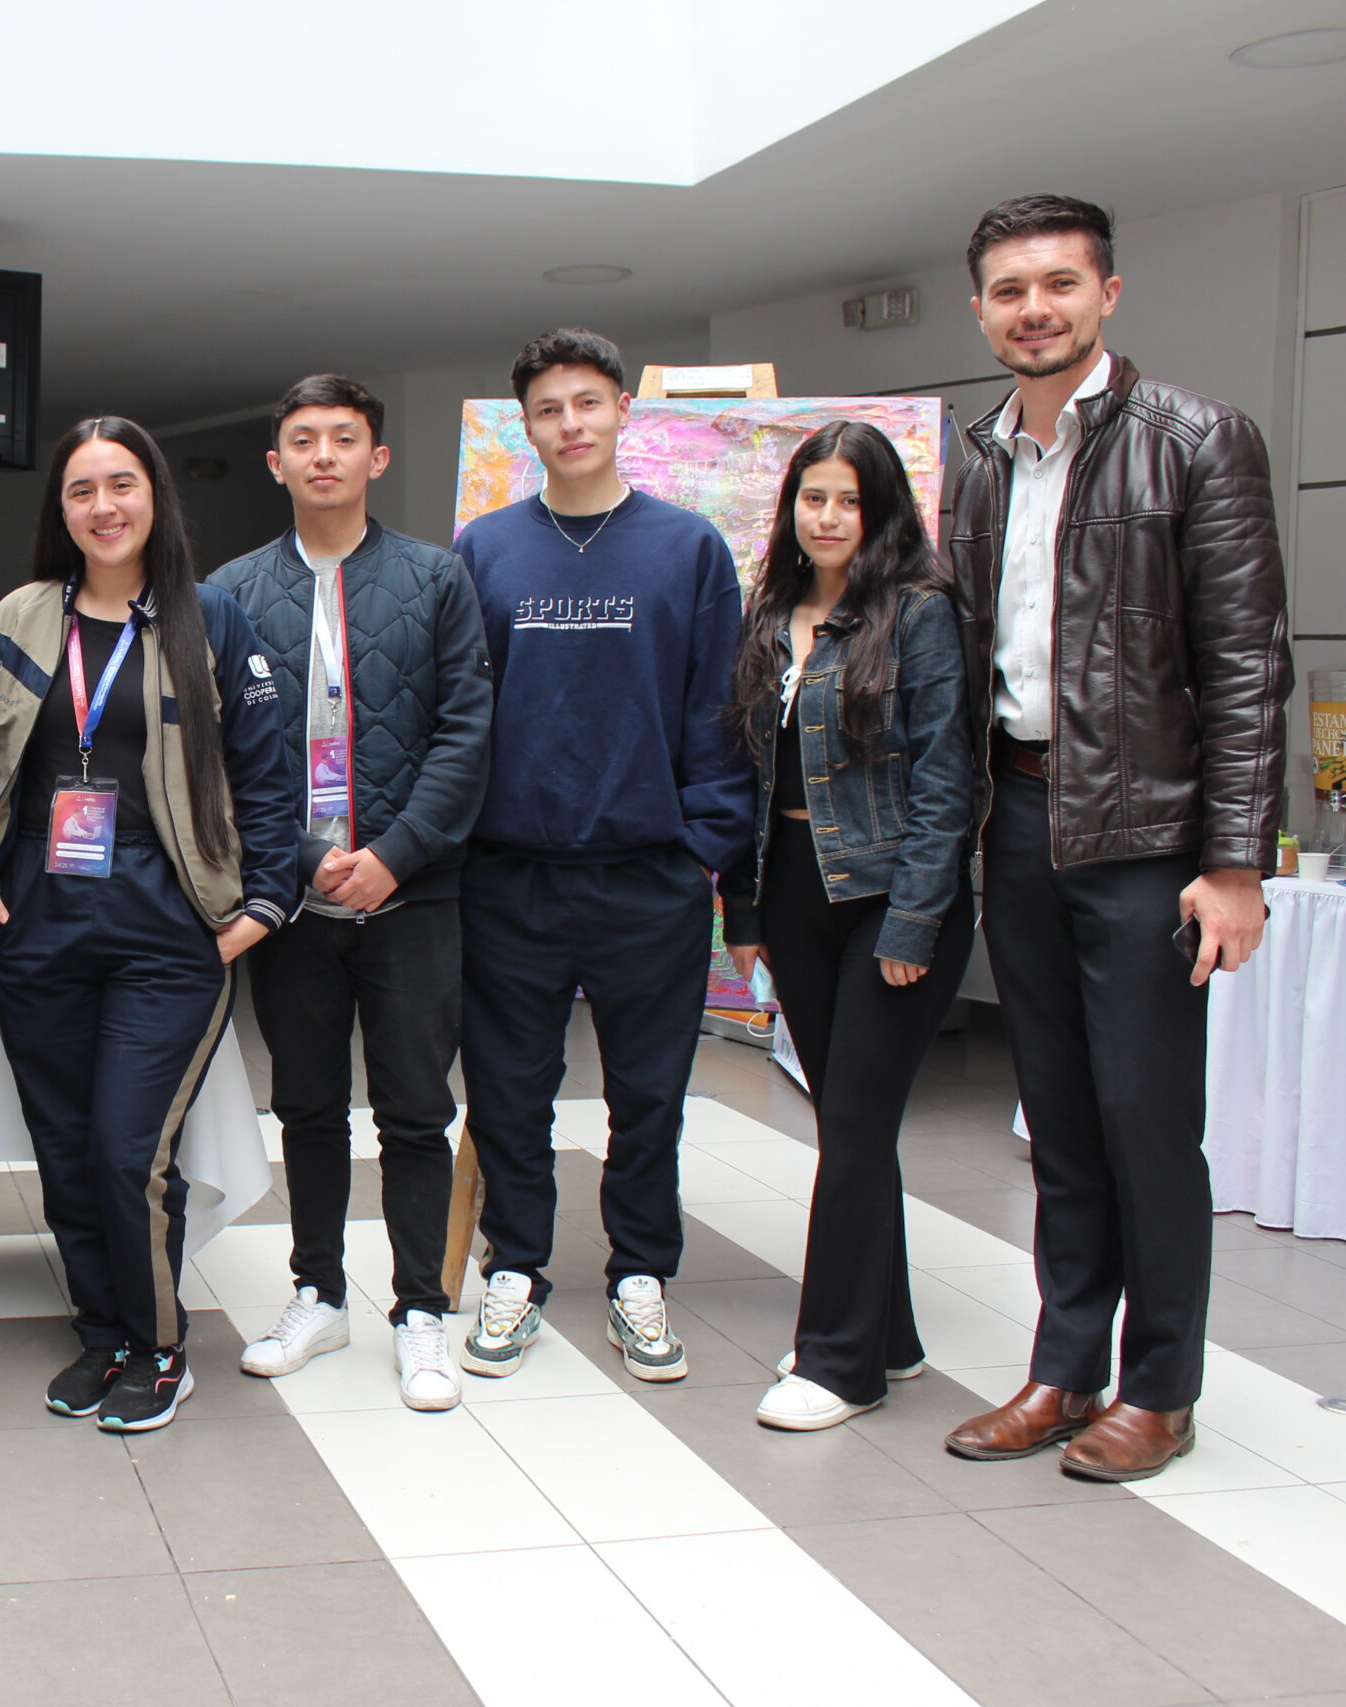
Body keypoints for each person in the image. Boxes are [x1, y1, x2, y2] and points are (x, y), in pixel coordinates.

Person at [939, 196, 1291, 1481]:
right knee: (1060, 1121)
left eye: (1058, 284)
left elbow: (1249, 666)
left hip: (1150, 835)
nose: (1035, 308)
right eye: (1010, 290)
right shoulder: (979, 462)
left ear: (1106, 294)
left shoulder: (1197, 441)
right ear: (978, 310)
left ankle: (1161, 1387)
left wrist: (1234, 860)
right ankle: (1061, 1366)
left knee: (1146, 1119)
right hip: (1019, 816)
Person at [0, 415, 297, 1433]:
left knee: (124, 1151)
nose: (103, 507)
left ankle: (157, 1344)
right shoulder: (20, 619)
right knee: (63, 1148)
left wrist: (263, 908)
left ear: (154, 496)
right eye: (80, 490)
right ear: (59, 510)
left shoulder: (213, 623)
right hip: (42, 922)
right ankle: (100, 1331)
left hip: (169, 929)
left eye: (121, 484)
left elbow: (265, 780)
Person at [453, 328, 752, 1385]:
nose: (569, 424)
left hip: (646, 878)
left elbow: (720, 708)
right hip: (508, 874)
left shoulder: (688, 549)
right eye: (547, 408)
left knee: (650, 1092)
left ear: (623, 409)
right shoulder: (485, 550)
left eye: (587, 403)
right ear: (524, 425)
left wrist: (700, 848)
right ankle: (517, 1268)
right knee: (507, 1088)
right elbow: (459, 711)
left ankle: (639, 1274)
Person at [207, 374, 492, 1410]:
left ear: (376, 458)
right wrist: (287, 863)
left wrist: (398, 852)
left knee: (417, 1108)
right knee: (310, 1105)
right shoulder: (231, 592)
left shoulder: (434, 579)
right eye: (301, 440)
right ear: (275, 462)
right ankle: (317, 1293)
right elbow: (225, 753)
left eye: (343, 439)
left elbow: (467, 731)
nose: (322, 455)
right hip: (290, 904)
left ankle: (420, 1310)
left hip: (412, 895)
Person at [718, 422, 973, 1430]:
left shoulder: (916, 614)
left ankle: (838, 1363)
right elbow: (747, 770)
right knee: (849, 1122)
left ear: (881, 513)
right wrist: (743, 907)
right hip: (794, 895)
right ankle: (891, 1334)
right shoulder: (772, 609)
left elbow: (946, 780)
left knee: (858, 1126)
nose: (824, 518)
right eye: (810, 498)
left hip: (889, 901)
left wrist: (914, 922)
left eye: (847, 502)